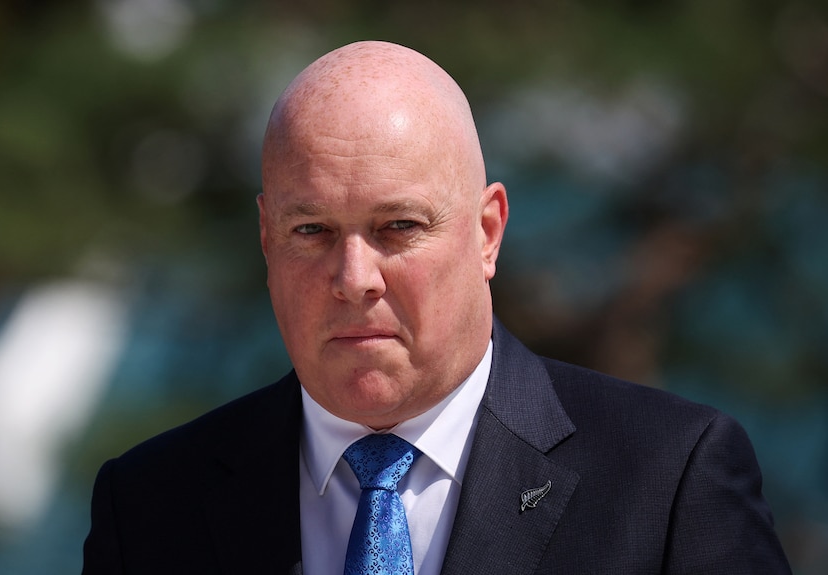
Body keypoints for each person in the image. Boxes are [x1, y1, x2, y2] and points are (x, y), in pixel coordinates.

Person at [82, 41, 791, 574]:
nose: (354, 277)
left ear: (487, 233)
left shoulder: (667, 482)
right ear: (267, 239)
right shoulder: (148, 505)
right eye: (312, 231)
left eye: (398, 227)